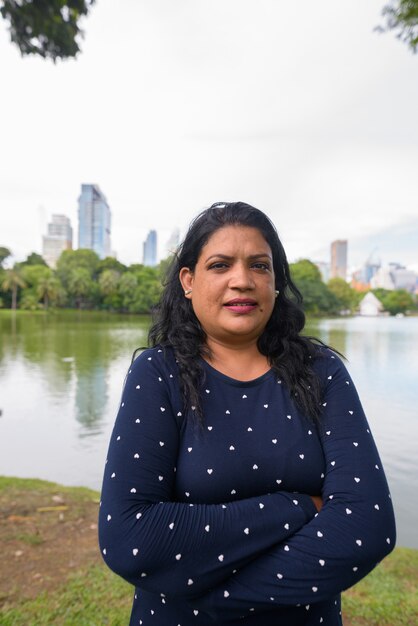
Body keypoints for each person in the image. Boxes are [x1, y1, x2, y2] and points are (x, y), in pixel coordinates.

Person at [98, 201, 396, 626]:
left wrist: (205, 599)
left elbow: (366, 527)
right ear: (188, 280)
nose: (242, 280)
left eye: (259, 266)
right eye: (220, 265)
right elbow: (131, 538)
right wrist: (298, 508)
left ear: (275, 282)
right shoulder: (158, 373)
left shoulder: (321, 372)